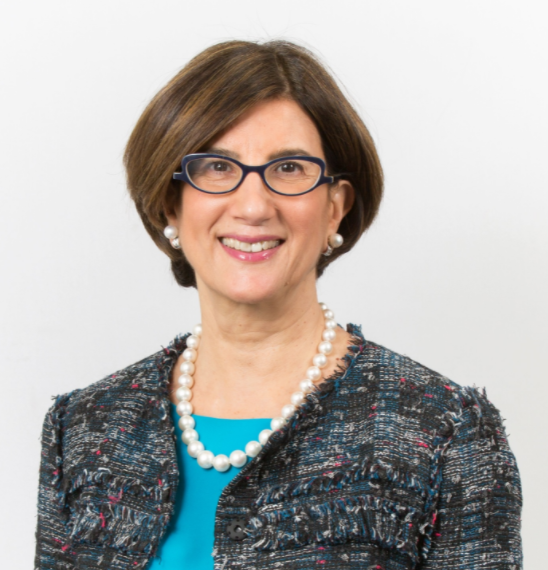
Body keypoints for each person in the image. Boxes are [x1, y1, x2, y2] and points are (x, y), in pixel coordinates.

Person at [34, 40, 523, 570]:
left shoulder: (444, 430)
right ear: (170, 203)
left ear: (335, 208)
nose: (253, 206)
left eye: (289, 168)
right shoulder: (84, 427)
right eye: (216, 167)